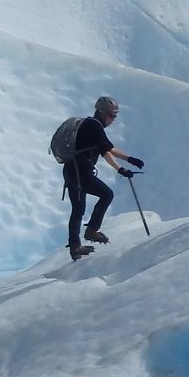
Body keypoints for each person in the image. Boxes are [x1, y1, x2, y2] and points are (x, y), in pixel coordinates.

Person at [62, 97, 143, 257]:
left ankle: (75, 247)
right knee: (107, 194)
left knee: (78, 209)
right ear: (102, 112)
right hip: (80, 173)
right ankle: (92, 230)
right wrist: (124, 165)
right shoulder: (94, 126)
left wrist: (126, 163)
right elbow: (108, 150)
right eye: (112, 115)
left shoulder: (88, 124)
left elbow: (105, 150)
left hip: (71, 171)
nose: (113, 119)